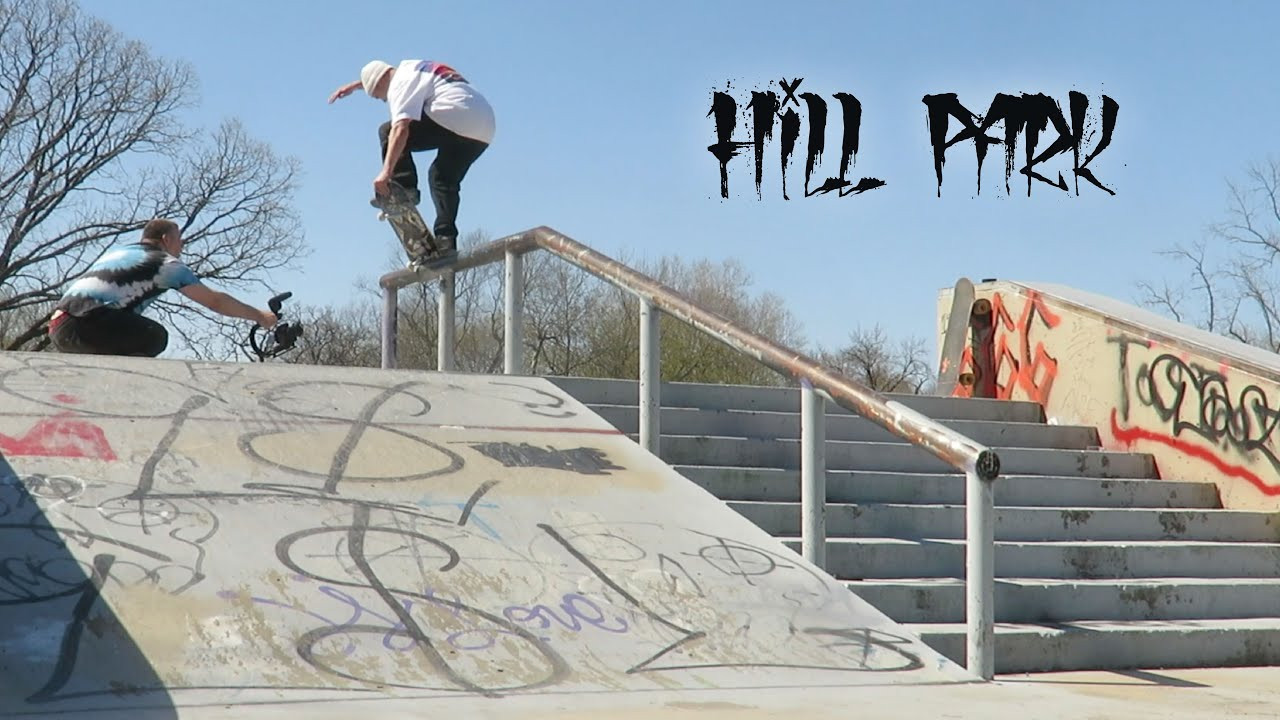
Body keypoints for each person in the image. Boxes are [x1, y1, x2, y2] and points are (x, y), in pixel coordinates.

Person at [328, 58, 495, 260]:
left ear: (380, 84)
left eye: (379, 97)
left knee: (388, 131)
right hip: (483, 127)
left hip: (453, 114)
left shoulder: (399, 85)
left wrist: (387, 172)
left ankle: (404, 189)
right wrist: (357, 86)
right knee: (442, 179)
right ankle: (445, 239)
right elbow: (379, 75)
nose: (383, 100)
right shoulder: (412, 68)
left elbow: (400, 129)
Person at [48, 219, 278, 357]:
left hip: (58, 326)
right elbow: (215, 301)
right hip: (85, 324)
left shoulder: (119, 252)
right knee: (154, 337)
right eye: (180, 240)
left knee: (129, 331)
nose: (182, 246)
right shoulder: (164, 263)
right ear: (166, 239)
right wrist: (259, 316)